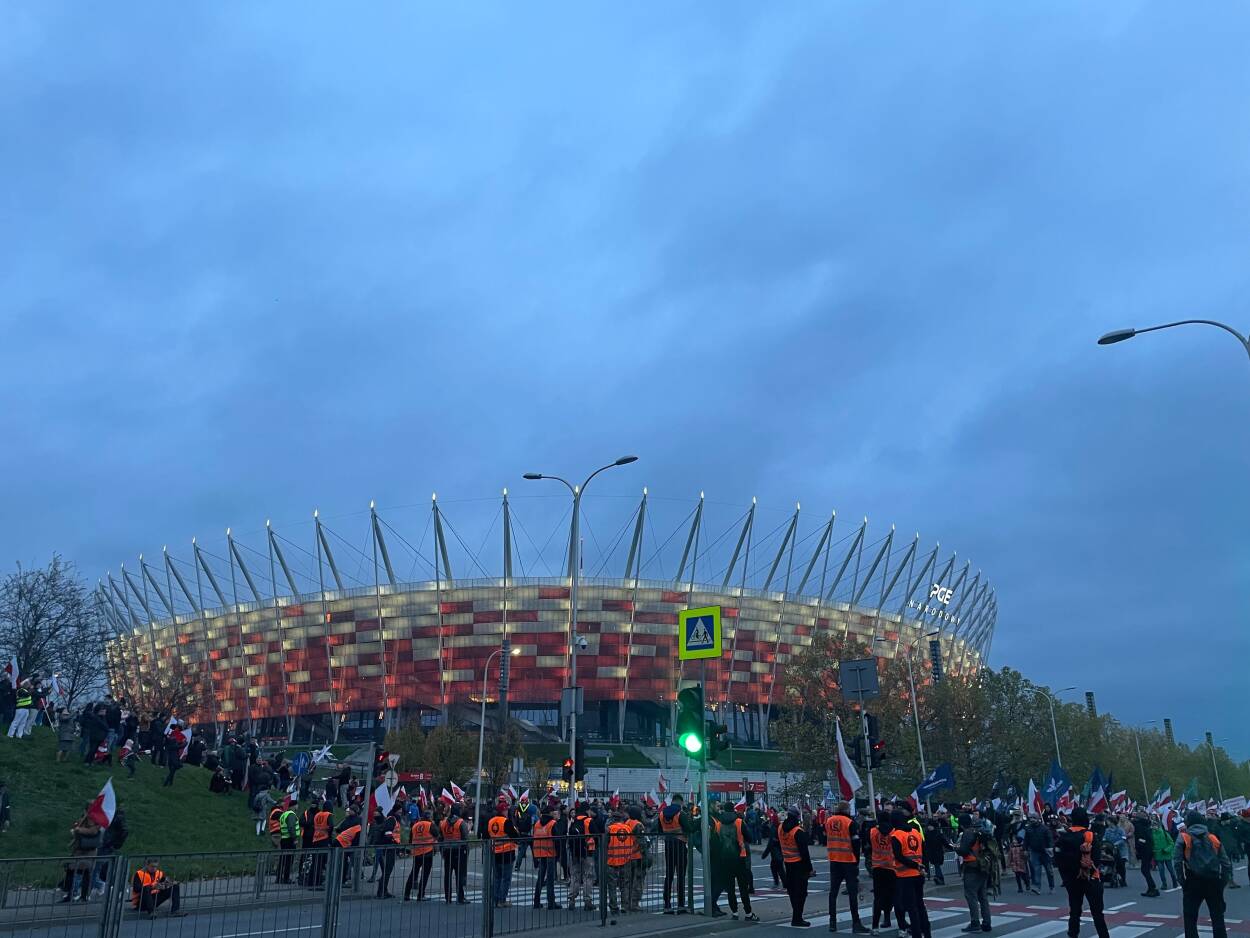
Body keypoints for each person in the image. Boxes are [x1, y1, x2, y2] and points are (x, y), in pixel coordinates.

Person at [1175, 810, 1232, 938]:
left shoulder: (1184, 837)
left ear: (1188, 823)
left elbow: (1177, 862)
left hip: (1193, 879)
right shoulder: (1212, 837)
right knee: (1217, 916)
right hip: (1213, 879)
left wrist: (1182, 881)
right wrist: (1223, 880)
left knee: (1190, 916)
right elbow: (1226, 862)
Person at [1055, 808, 1110, 938]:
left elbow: (1058, 859)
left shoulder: (1063, 837)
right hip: (1091, 878)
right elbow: (1096, 859)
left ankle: (1073, 935)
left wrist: (1066, 877)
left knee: (1074, 911)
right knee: (1097, 913)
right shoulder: (1090, 836)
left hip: (1072, 880)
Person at [825, 800, 867, 933]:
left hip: (834, 859)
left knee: (833, 892)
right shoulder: (850, 823)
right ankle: (856, 922)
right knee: (852, 893)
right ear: (848, 810)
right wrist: (856, 860)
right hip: (848, 860)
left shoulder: (829, 821)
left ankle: (832, 922)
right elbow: (855, 843)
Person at [713, 802, 758, 922]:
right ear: (733, 809)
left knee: (730, 888)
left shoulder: (718, 824)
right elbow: (749, 837)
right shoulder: (739, 822)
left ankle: (734, 912)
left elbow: (716, 842)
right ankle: (748, 913)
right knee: (743, 887)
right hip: (740, 857)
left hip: (725, 859)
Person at [890, 808, 930, 938]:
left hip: (905, 875)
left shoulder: (896, 835)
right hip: (918, 874)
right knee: (920, 905)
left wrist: (914, 865)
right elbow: (923, 851)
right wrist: (922, 866)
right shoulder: (916, 832)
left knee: (911, 908)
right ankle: (927, 932)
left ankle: (917, 934)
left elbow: (899, 856)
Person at [867, 813, 901, 935]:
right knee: (894, 896)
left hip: (877, 867)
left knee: (878, 898)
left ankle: (875, 926)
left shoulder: (872, 832)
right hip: (892, 867)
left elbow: (868, 846)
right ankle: (900, 925)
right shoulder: (894, 832)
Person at [780, 806, 814, 927]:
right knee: (802, 893)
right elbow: (805, 853)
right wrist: (809, 869)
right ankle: (797, 917)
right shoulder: (798, 831)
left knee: (793, 891)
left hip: (787, 864)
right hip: (799, 865)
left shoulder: (781, 828)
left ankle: (796, 916)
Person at [958, 819, 994, 933]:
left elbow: (963, 851)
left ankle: (975, 923)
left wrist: (956, 848)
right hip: (984, 866)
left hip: (972, 866)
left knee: (971, 896)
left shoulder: (968, 833)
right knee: (983, 897)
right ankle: (987, 923)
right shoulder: (981, 833)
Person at [660, 794, 691, 913]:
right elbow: (689, 828)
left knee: (669, 875)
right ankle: (681, 905)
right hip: (680, 844)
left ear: (672, 801)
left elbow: (659, 829)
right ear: (681, 802)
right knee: (681, 875)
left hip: (668, 845)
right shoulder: (681, 814)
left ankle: (667, 905)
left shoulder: (662, 814)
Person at [566, 802, 598, 912]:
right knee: (587, 877)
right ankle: (587, 901)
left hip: (575, 853)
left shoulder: (574, 820)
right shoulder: (589, 821)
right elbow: (596, 835)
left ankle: (571, 899)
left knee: (575, 876)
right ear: (587, 810)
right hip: (587, 852)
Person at [486, 801, 519, 908]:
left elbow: (487, 836)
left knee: (497, 877)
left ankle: (495, 899)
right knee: (506, 878)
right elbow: (515, 836)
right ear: (504, 810)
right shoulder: (506, 822)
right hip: (507, 853)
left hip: (495, 853)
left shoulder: (491, 821)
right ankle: (502, 900)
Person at [404, 807, 438, 901]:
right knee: (425, 874)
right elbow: (437, 834)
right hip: (427, 851)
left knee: (413, 873)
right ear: (430, 817)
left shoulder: (415, 825)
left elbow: (410, 840)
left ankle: (406, 894)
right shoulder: (431, 825)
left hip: (416, 852)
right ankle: (421, 895)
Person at [531, 808, 560, 909]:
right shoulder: (552, 823)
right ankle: (551, 902)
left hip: (540, 853)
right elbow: (557, 840)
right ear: (551, 812)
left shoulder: (537, 824)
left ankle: (536, 901)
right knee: (550, 879)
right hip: (550, 853)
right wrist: (558, 854)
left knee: (540, 878)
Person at [440, 804, 468, 903]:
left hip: (447, 851)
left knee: (447, 875)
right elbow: (465, 838)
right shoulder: (461, 823)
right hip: (459, 851)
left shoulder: (443, 823)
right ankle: (460, 897)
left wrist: (441, 851)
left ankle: (448, 898)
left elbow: (441, 838)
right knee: (459, 875)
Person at [1132, 810, 1159, 897]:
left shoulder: (1139, 826)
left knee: (1145, 870)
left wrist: (1138, 848)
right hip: (1149, 848)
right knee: (1145, 869)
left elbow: (1141, 839)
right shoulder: (1148, 825)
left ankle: (1152, 887)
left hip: (1144, 849)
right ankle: (1150, 888)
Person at [1025, 816, 1055, 894]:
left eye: (1034, 818)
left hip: (1045, 852)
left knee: (1049, 870)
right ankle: (1037, 888)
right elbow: (1026, 840)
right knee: (1036, 870)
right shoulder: (1028, 829)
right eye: (1031, 818)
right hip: (1034, 852)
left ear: (1038, 819)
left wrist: (1050, 848)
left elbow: (1050, 839)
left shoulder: (1045, 828)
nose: (1032, 820)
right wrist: (1025, 849)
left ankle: (1051, 886)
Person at [276, 801, 301, 884]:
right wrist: (294, 839)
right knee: (288, 860)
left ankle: (279, 878)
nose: (298, 807)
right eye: (297, 805)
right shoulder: (291, 815)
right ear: (294, 806)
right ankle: (286, 878)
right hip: (289, 840)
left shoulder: (284, 814)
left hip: (284, 838)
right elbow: (291, 827)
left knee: (283, 859)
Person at [1152, 816, 1179, 890]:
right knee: (1161, 871)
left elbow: (1171, 843)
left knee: (1171, 869)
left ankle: (1174, 881)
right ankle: (1164, 884)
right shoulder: (1152, 834)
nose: (1154, 827)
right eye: (1153, 825)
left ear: (1159, 826)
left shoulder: (1164, 833)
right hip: (1158, 855)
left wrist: (1166, 850)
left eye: (1155, 825)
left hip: (1166, 854)